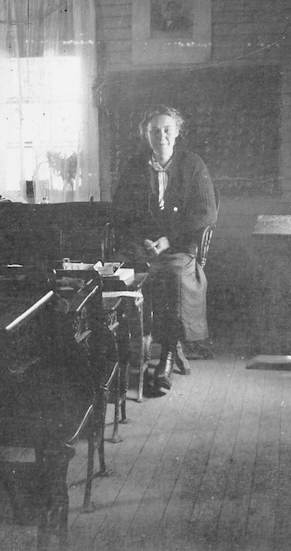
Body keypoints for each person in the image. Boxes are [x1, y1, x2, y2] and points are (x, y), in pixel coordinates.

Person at [111, 105, 217, 394]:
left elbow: (206, 213)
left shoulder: (193, 165)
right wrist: (142, 241)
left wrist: (169, 239)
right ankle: (128, 356)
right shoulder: (134, 167)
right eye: (154, 130)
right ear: (146, 134)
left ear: (177, 132)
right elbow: (121, 213)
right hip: (141, 246)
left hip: (178, 246)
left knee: (172, 275)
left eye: (167, 130)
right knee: (118, 275)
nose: (162, 136)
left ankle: (167, 357)